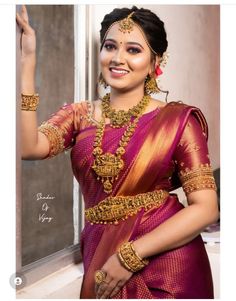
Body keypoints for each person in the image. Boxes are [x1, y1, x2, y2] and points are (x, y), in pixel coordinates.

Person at [16, 5, 219, 299]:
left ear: (155, 62)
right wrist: (27, 61)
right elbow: (27, 147)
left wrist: (129, 255)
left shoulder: (178, 121)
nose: (117, 58)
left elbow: (206, 208)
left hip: (169, 265)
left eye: (133, 50)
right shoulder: (80, 115)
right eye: (110, 46)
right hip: (101, 252)